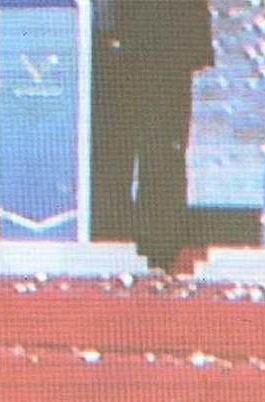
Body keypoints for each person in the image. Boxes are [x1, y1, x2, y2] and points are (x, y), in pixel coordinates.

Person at [89, 0, 213, 270]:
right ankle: (109, 241)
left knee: (161, 149)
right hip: (99, 43)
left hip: (163, 39)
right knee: (109, 151)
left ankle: (159, 249)